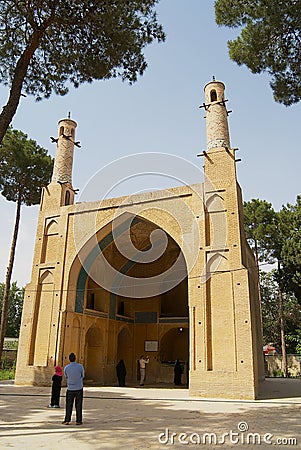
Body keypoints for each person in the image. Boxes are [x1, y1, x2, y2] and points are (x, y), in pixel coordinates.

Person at [62, 353, 84, 425]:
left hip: (70, 388)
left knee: (69, 405)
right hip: (79, 388)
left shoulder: (66, 368)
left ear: (69, 359)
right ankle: (78, 420)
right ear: (75, 358)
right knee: (79, 405)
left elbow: (66, 376)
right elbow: (82, 375)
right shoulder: (80, 367)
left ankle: (67, 420)